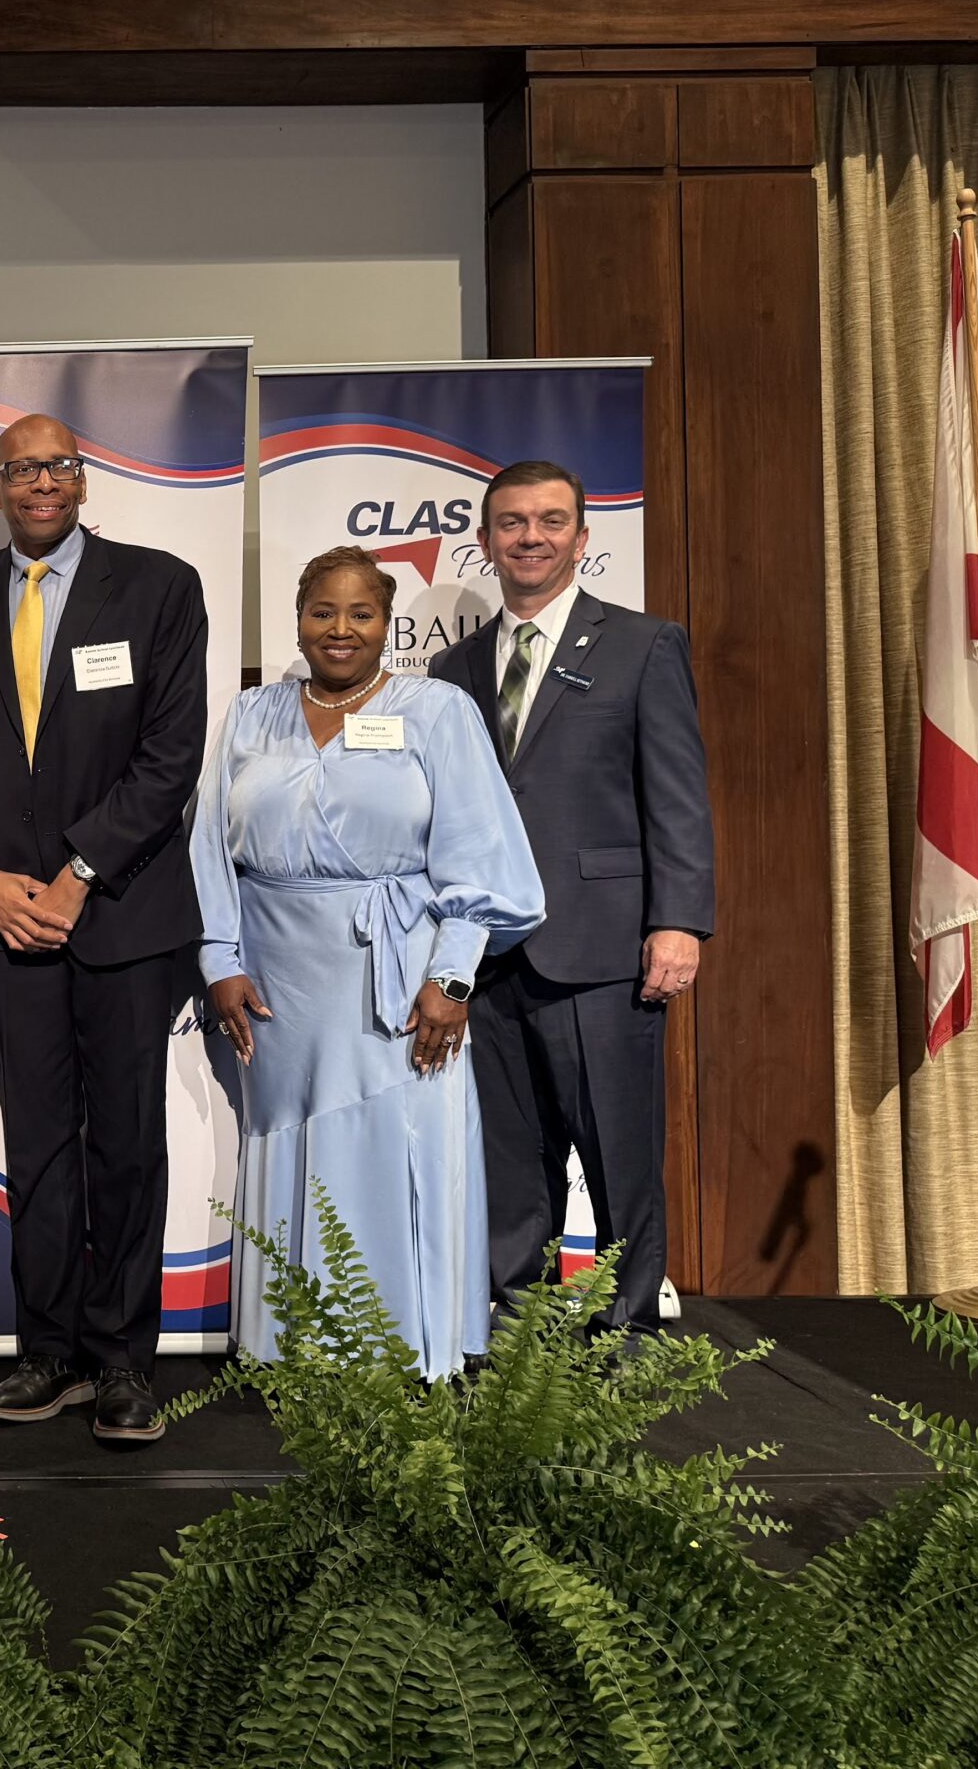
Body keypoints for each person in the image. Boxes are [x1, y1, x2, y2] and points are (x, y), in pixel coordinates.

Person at [0, 412, 208, 1446]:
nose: (42, 482)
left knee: (126, 1141)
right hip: (6, 920)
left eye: (59, 465)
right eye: (21, 469)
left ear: (81, 481)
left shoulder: (161, 585)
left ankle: (125, 1361)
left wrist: (81, 872)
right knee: (36, 1141)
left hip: (123, 913)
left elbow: (172, 754)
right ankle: (47, 1351)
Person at [197, 547, 543, 1378]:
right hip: (277, 982)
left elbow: (481, 856)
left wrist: (451, 976)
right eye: (323, 611)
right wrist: (219, 957)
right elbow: (208, 847)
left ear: (388, 623)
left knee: (400, 1143)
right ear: (299, 618)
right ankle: (291, 1345)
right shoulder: (251, 715)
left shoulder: (438, 711)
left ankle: (402, 1349)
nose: (341, 629)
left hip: (401, 974)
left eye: (361, 613)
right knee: (288, 1146)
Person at [428, 460, 715, 1334]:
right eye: (512, 523)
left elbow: (678, 794)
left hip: (602, 946)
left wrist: (679, 921)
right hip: (489, 953)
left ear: (582, 541)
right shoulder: (453, 667)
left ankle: (627, 1328)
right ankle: (520, 1337)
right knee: (512, 1159)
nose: (530, 537)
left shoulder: (644, 643)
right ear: (486, 543)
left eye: (551, 521)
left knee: (619, 1150)